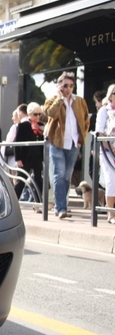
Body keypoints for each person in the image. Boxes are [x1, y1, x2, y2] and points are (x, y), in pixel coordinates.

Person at [42, 71, 90, 219]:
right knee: (59, 174)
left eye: (71, 85)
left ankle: (61, 205)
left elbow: (86, 120)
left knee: (67, 177)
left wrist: (82, 139)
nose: (68, 88)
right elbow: (50, 113)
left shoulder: (80, 101)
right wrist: (60, 99)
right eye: (65, 85)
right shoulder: (52, 100)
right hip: (57, 143)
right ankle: (60, 207)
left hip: (74, 143)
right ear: (59, 86)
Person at [14, 103, 45, 205]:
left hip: (37, 157)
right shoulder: (23, 125)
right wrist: (18, 158)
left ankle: (38, 203)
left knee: (38, 180)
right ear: (29, 114)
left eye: (39, 114)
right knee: (21, 180)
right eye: (35, 114)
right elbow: (16, 142)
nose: (38, 117)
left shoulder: (41, 126)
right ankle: (13, 202)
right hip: (25, 157)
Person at [94, 83, 115, 224]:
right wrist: (110, 148)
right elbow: (100, 132)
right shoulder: (104, 111)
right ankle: (111, 214)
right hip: (107, 150)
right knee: (111, 180)